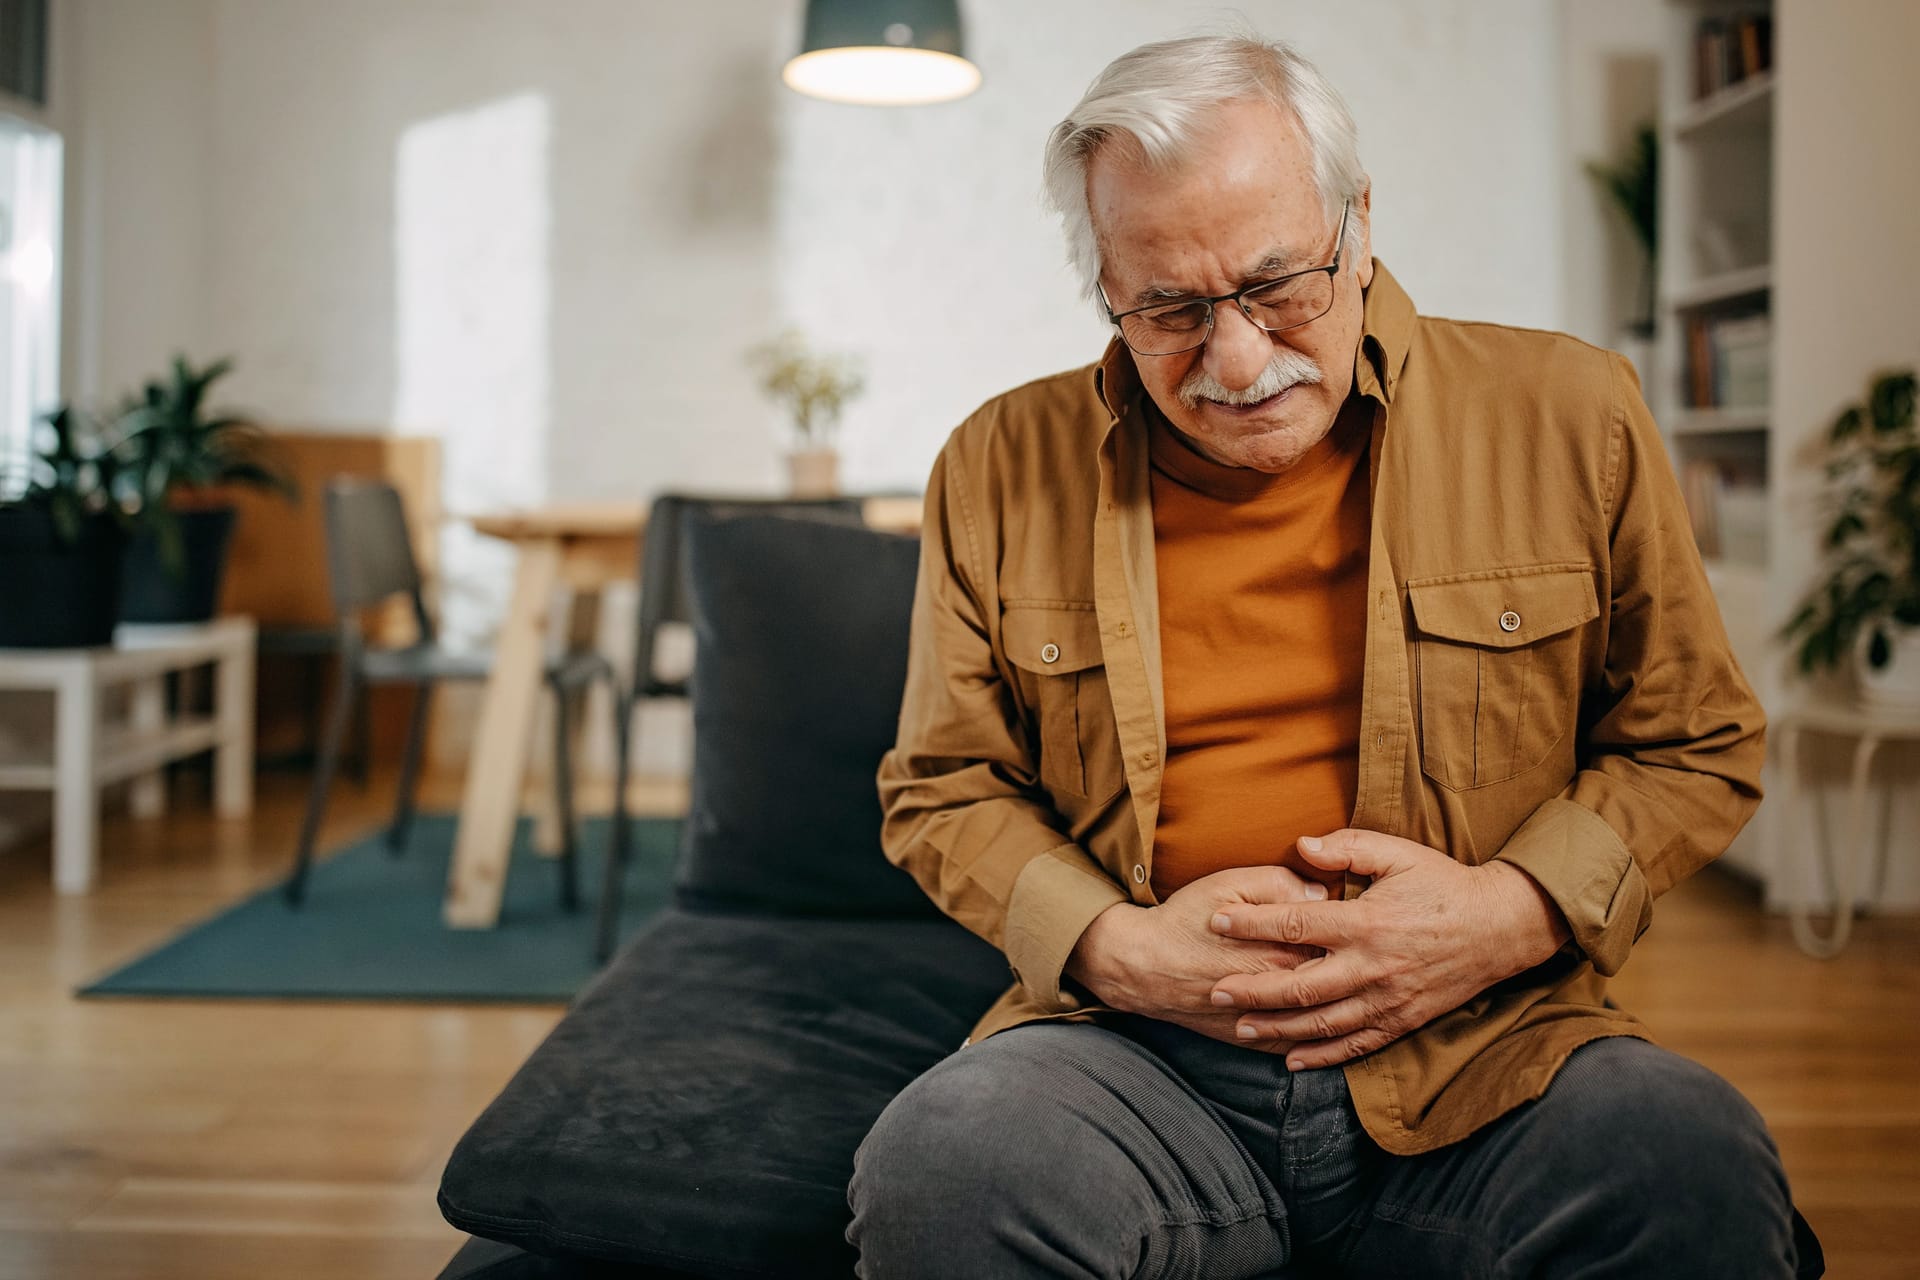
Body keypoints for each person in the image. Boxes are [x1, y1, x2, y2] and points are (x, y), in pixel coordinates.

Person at [848, 31, 1819, 1280]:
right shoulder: (995, 461)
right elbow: (943, 786)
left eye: (1277, 286)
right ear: (1105, 285)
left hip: (1491, 1045)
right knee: (947, 1161)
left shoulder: (1573, 414)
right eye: (1170, 308)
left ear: (1359, 226)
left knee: (1688, 1156)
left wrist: (1504, 914)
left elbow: (1696, 740)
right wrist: (1115, 946)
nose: (1238, 361)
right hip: (1132, 1052)